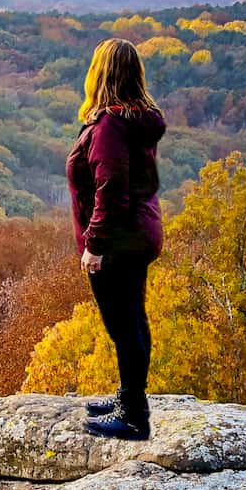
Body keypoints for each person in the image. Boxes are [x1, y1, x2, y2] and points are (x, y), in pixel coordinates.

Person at [66, 37, 165, 440]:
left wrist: (95, 244)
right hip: (140, 231)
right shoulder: (136, 119)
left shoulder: (109, 126)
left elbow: (111, 190)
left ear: (99, 74)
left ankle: (134, 415)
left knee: (123, 324)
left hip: (120, 239)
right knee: (133, 319)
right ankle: (129, 397)